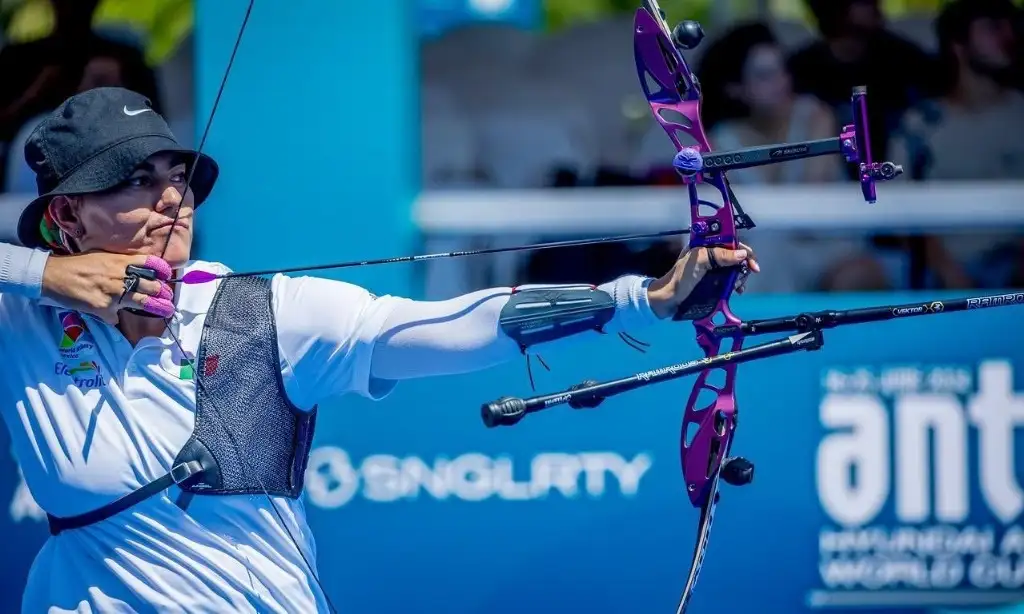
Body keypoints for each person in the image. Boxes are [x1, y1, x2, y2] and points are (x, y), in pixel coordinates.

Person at [0, 87, 760, 612]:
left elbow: (442, 328)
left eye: (177, 177)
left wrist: (643, 298)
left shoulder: (260, 311)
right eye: (136, 181)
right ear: (67, 214)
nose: (173, 198)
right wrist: (49, 278)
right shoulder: (22, 322)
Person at [697, 22, 841, 186]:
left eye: (782, 70)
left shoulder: (814, 116)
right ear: (735, 89)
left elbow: (815, 194)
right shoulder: (722, 141)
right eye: (764, 76)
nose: (781, 83)